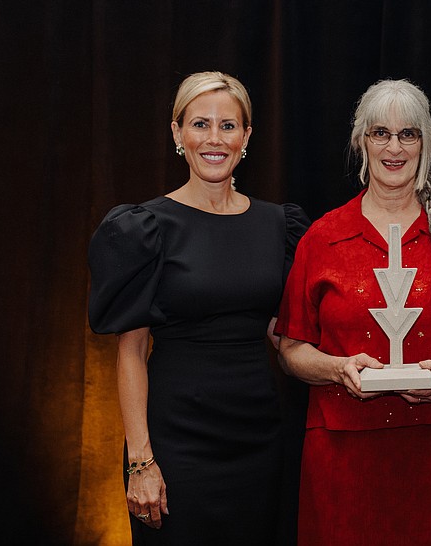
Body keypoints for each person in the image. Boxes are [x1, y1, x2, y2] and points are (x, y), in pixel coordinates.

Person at [274, 79, 431, 545]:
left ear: (425, 142)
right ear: (360, 141)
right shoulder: (323, 238)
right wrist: (336, 367)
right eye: (380, 133)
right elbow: (291, 348)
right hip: (346, 458)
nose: (394, 147)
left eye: (408, 134)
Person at [87, 71, 309, 544]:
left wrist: (342, 364)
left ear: (246, 136)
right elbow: (131, 352)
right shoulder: (145, 227)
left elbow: (285, 337)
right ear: (177, 132)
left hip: (259, 439)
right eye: (200, 124)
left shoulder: (279, 225)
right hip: (175, 443)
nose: (214, 138)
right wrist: (141, 461)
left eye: (228, 126)